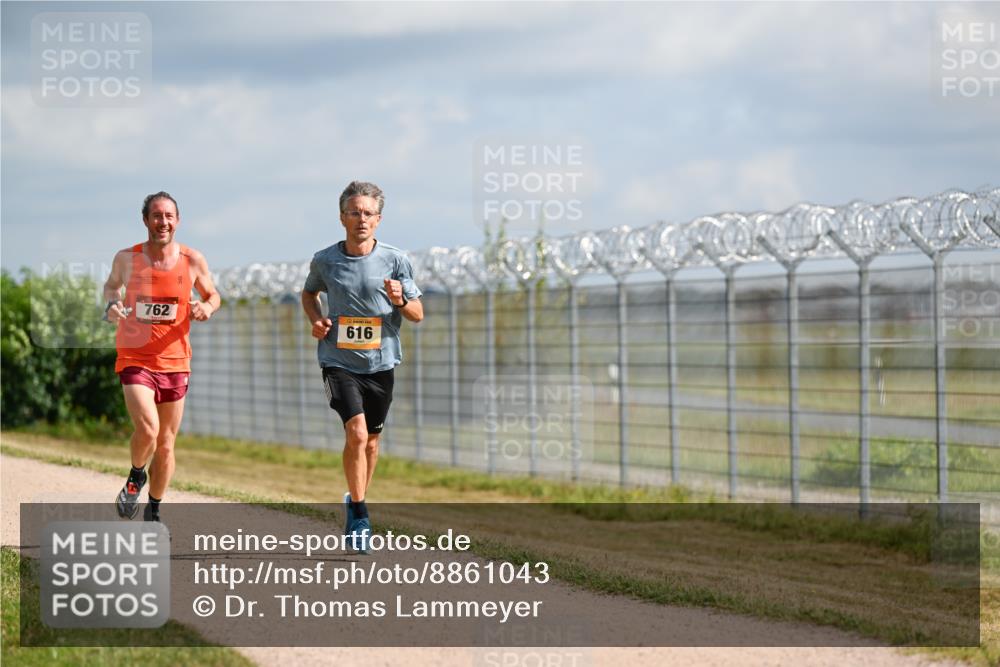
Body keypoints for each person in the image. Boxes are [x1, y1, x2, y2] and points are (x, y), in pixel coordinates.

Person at [301, 181, 423, 552]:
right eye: (354, 212)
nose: (361, 219)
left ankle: (354, 498)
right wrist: (317, 319)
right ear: (342, 218)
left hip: (381, 363)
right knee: (355, 433)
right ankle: (359, 511)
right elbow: (309, 293)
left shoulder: (396, 260)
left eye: (368, 213)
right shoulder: (325, 259)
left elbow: (417, 314)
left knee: (371, 442)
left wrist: (401, 300)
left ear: (379, 219)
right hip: (337, 360)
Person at [103, 191, 220, 522]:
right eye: (156, 216)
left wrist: (206, 307)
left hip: (176, 361)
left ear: (178, 220)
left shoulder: (193, 260)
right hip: (135, 357)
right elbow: (111, 287)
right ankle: (136, 475)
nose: (163, 222)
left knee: (166, 445)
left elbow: (213, 296)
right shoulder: (127, 258)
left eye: (169, 216)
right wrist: (111, 305)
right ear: (145, 221)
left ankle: (153, 511)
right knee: (149, 430)